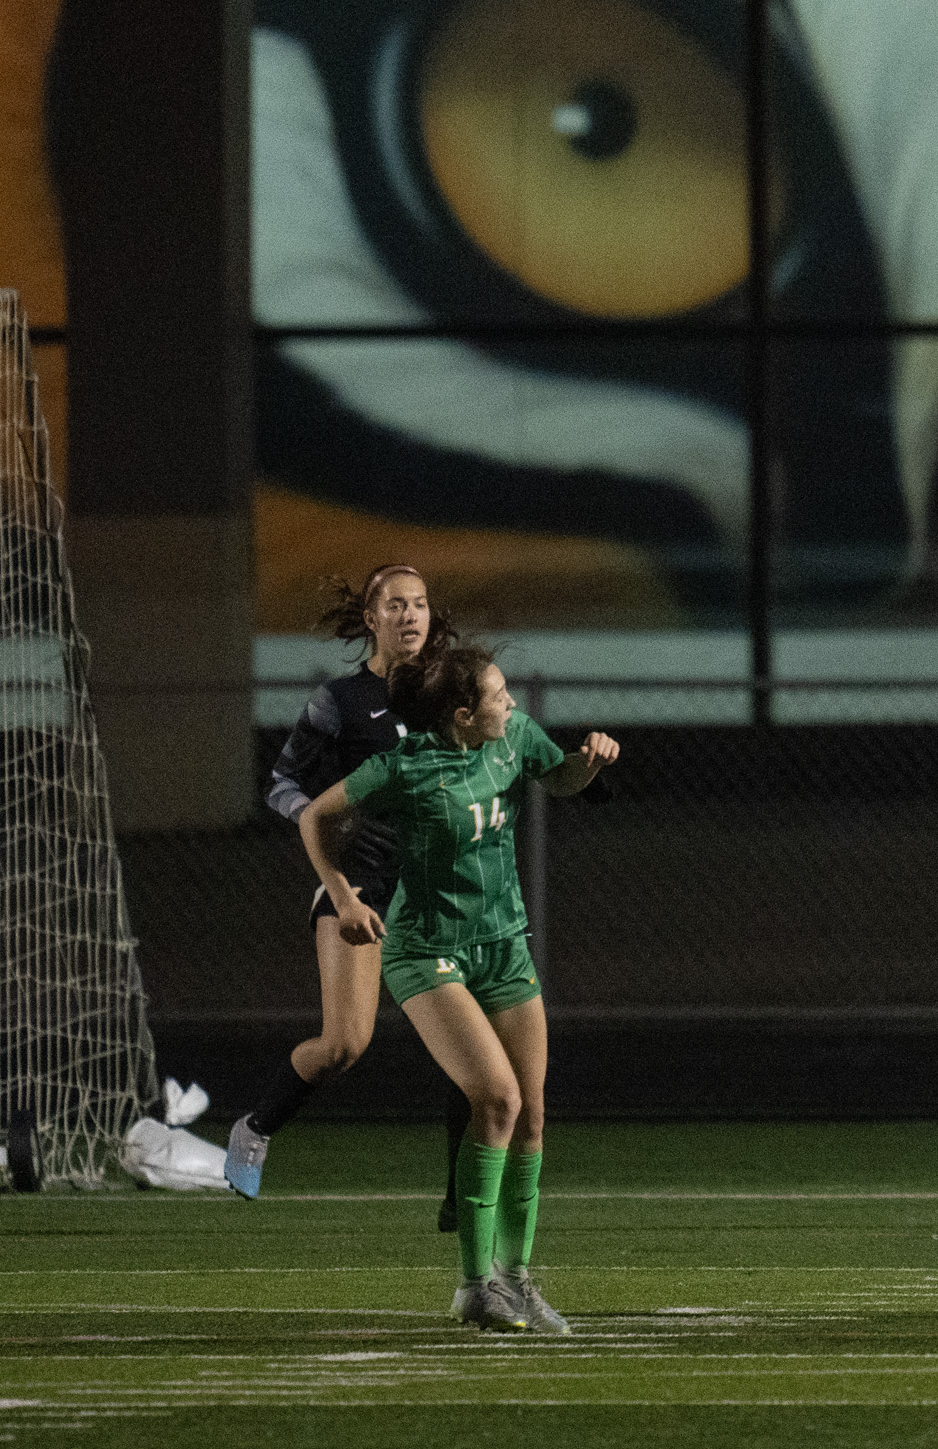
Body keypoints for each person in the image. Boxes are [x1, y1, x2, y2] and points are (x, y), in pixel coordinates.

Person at [301, 638, 614, 1335]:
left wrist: (585, 767)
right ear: (465, 715)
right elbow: (313, 816)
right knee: (496, 1100)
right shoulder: (405, 769)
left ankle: (517, 1278)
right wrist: (345, 898)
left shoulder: (514, 741)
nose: (513, 703)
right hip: (426, 951)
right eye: (500, 695)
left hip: (503, 946)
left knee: (531, 1114)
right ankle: (477, 1285)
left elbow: (557, 777)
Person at [224, 565, 476, 1212]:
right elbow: (282, 784)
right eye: (396, 604)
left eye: (420, 603)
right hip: (359, 885)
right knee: (344, 1045)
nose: (411, 615)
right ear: (371, 619)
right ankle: (254, 1130)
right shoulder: (340, 701)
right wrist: (337, 858)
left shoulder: (451, 693)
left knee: (473, 1045)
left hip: (434, 892)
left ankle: (463, 1190)